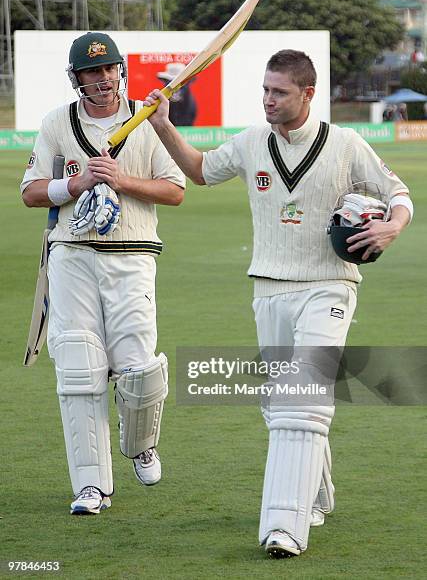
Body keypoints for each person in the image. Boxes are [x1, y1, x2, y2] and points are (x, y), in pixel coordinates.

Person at [142, 49, 413, 557]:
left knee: (302, 398)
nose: (268, 100)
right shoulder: (250, 143)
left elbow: (399, 195)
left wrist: (393, 226)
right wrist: (162, 124)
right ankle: (317, 489)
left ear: (307, 94)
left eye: (280, 92)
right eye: (265, 90)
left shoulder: (346, 144)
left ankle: (284, 527)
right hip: (268, 287)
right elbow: (200, 171)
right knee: (278, 404)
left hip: (330, 285)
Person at [20, 32, 185, 515]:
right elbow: (31, 192)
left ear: (121, 71)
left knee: (137, 365)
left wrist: (119, 179)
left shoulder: (146, 119)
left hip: (133, 253)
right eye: (93, 72)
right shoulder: (58, 122)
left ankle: (141, 443)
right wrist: (76, 182)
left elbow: (175, 191)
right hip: (71, 253)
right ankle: (91, 486)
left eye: (110, 69)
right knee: (78, 367)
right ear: (77, 79)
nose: (104, 79)